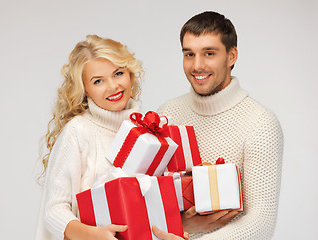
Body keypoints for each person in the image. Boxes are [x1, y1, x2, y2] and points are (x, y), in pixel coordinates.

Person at [35, 35, 187, 240]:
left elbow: (151, 203)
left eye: (118, 73)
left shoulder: (148, 131)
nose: (113, 86)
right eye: (98, 81)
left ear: (130, 74)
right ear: (85, 90)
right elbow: (53, 211)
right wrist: (93, 235)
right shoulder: (78, 131)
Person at [158, 11, 283, 239]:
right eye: (189, 54)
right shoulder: (168, 113)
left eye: (209, 53)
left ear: (231, 55)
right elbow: (147, 197)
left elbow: (261, 222)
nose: (197, 65)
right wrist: (178, 222)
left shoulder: (260, 123)